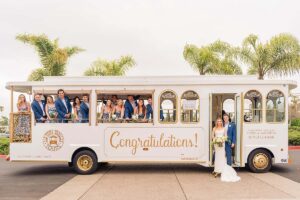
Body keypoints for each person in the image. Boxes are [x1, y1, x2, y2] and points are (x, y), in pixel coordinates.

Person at [212, 117, 240, 182]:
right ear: (216, 122)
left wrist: (222, 140)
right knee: (217, 157)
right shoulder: (214, 128)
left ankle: (221, 170)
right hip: (216, 144)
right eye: (218, 121)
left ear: (222, 122)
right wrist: (215, 140)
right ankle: (216, 170)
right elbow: (212, 136)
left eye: (220, 121)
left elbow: (225, 136)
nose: (219, 122)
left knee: (222, 157)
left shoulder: (224, 128)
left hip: (222, 144)